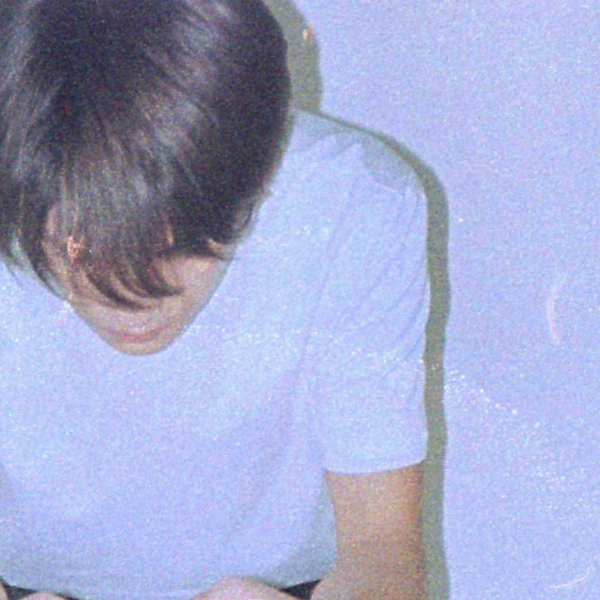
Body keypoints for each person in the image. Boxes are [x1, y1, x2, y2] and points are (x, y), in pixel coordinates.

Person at [0, 1, 430, 599]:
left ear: (261, 175)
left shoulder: (352, 200)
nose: (133, 304)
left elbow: (381, 548)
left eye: (181, 245)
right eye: (74, 248)